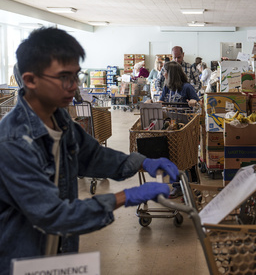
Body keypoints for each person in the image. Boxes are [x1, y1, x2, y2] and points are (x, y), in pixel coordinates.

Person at [0, 27, 178, 270]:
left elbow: (94, 156)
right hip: (22, 260)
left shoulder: (61, 121)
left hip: (59, 253)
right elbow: (53, 215)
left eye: (77, 76)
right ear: (30, 80)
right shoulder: (13, 142)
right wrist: (125, 196)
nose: (74, 86)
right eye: (64, 77)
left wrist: (143, 162)